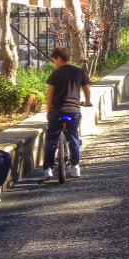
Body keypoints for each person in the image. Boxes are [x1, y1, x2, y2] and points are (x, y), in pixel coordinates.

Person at [43, 46, 92, 179]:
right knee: (73, 137)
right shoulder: (79, 72)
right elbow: (87, 89)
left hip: (57, 112)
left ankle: (48, 168)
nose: (54, 62)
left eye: (54, 60)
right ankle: (75, 167)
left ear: (59, 58)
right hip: (73, 111)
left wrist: (48, 111)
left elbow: (49, 96)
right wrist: (87, 101)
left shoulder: (55, 74)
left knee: (51, 139)